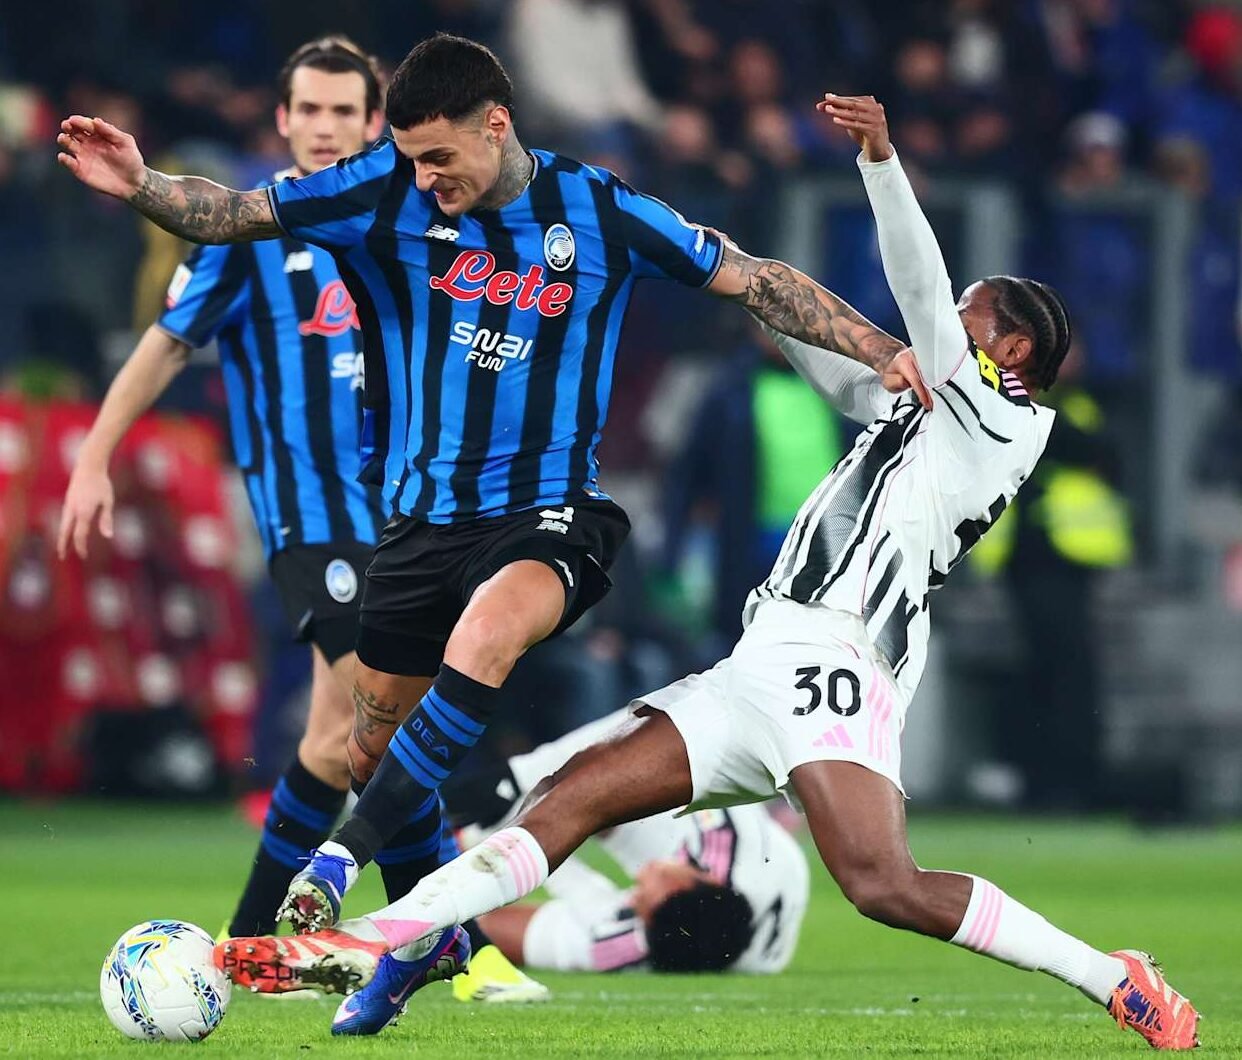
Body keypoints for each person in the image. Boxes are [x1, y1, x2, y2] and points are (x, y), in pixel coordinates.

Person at [217, 94, 1200, 1052]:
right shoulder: (928, 414)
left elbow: (918, 296)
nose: (946, 322)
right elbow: (832, 355)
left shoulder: (1006, 423)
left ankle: (1113, 976)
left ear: (1012, 346)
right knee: (569, 798)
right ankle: (387, 943)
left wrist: (881, 165)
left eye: (969, 317)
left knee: (882, 884)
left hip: (839, 660)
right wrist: (728, 272)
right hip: (763, 657)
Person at [59, 34, 923, 1034]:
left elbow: (754, 278)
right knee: (371, 751)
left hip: (549, 512)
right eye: (411, 159)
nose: (426, 179)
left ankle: (337, 865)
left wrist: (881, 348)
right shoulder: (380, 191)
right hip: (419, 527)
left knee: (487, 633)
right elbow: (236, 212)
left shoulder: (597, 208)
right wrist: (142, 185)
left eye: (440, 157)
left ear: (496, 124)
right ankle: (425, 945)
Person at [55, 35, 543, 1016]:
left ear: (375, 125)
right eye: (308, 110)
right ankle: (453, 943)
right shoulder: (255, 234)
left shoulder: (409, 220)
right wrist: (95, 454)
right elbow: (167, 343)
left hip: (406, 517)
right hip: (311, 521)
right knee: (381, 717)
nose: (324, 127)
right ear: (282, 120)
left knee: (335, 741)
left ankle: (244, 948)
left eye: (343, 112)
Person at [442, 709, 808, 975]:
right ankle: (494, 812)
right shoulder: (720, 833)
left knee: (478, 934)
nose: (634, 894)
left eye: (638, 906)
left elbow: (579, 902)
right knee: (598, 792)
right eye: (644, 896)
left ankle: (472, 840)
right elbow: (653, 722)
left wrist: (491, 845)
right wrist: (518, 779)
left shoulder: (650, 941)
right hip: (771, 865)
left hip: (725, 942)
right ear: (701, 877)